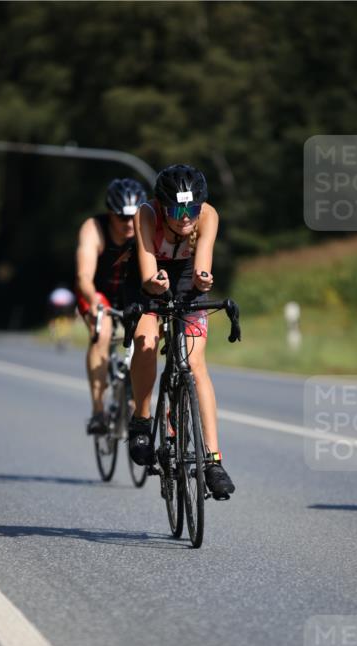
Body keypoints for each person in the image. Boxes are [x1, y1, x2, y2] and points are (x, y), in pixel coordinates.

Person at [124, 163, 235, 499]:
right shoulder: (146, 215)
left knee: (196, 364)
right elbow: (147, 275)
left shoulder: (208, 215)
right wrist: (154, 284)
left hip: (186, 276)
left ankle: (213, 461)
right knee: (145, 341)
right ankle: (142, 420)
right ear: (162, 207)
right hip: (148, 276)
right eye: (176, 211)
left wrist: (203, 280)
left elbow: (202, 267)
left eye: (192, 210)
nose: (185, 218)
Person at [75, 178, 147, 434]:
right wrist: (94, 301)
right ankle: (98, 412)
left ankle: (135, 400)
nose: (128, 223)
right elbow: (84, 276)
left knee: (146, 338)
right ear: (110, 213)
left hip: (132, 294)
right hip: (98, 293)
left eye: (133, 217)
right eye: (122, 217)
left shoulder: (146, 228)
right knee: (103, 333)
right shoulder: (94, 228)